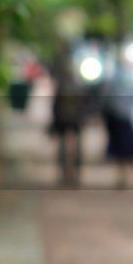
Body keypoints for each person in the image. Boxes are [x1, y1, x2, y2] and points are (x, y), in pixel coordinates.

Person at [102, 68, 133, 189]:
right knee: (127, 147)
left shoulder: (112, 81)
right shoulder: (131, 82)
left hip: (115, 118)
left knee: (119, 147)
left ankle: (121, 175)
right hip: (127, 118)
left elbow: (105, 98)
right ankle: (126, 175)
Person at [49, 52, 85, 187]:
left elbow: (55, 105)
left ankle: (67, 172)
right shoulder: (78, 84)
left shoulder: (63, 85)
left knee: (65, 146)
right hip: (73, 121)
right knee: (74, 146)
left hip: (64, 120)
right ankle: (73, 172)